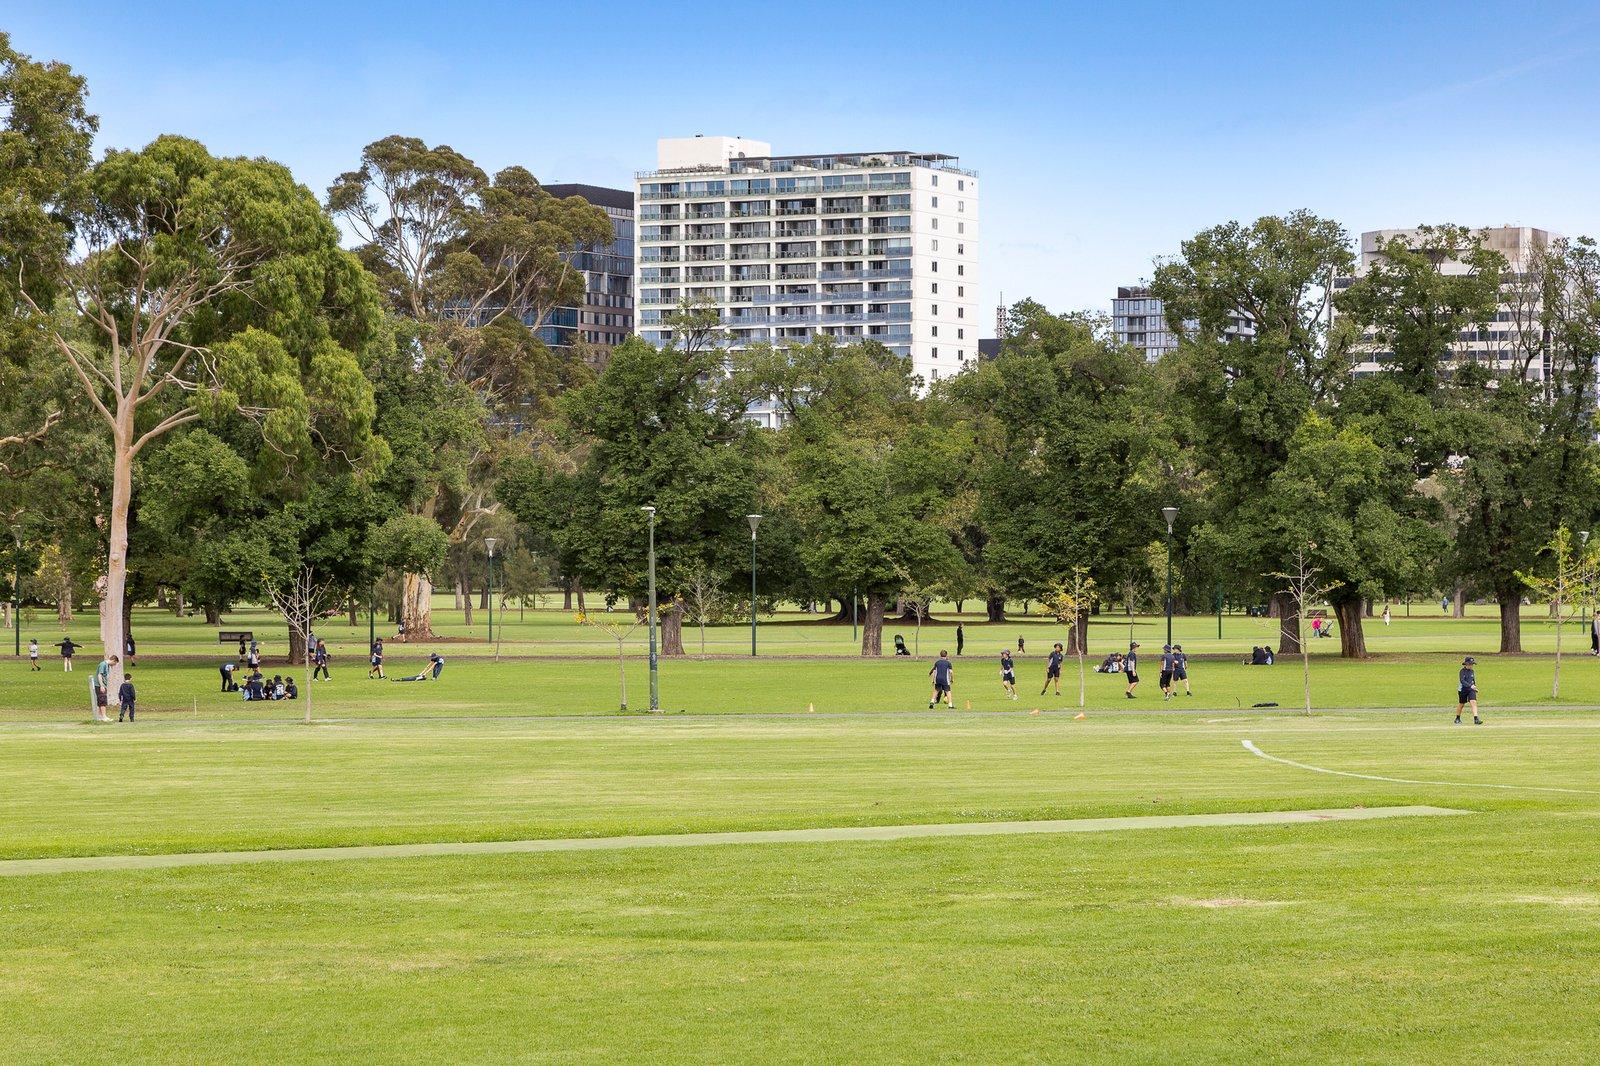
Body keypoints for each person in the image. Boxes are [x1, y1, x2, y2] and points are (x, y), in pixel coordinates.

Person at [1455, 656, 1482, 725]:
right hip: (1463, 690)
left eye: (1472, 664)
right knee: (1462, 704)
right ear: (1466, 664)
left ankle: (1476, 719)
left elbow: (1473, 681)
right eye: (1470, 664)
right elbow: (1462, 681)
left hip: (1471, 690)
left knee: (1473, 702)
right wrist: (1470, 686)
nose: (1471, 665)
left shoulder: (1472, 671)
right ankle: (1457, 718)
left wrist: (1474, 687)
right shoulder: (1462, 671)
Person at [93, 654, 118, 721]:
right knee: (102, 700)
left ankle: (100, 716)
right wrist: (101, 685)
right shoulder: (103, 664)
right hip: (99, 685)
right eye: (115, 663)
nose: (114, 665)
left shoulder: (107, 665)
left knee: (101, 700)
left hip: (103, 685)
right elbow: (99, 675)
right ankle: (104, 716)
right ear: (113, 660)